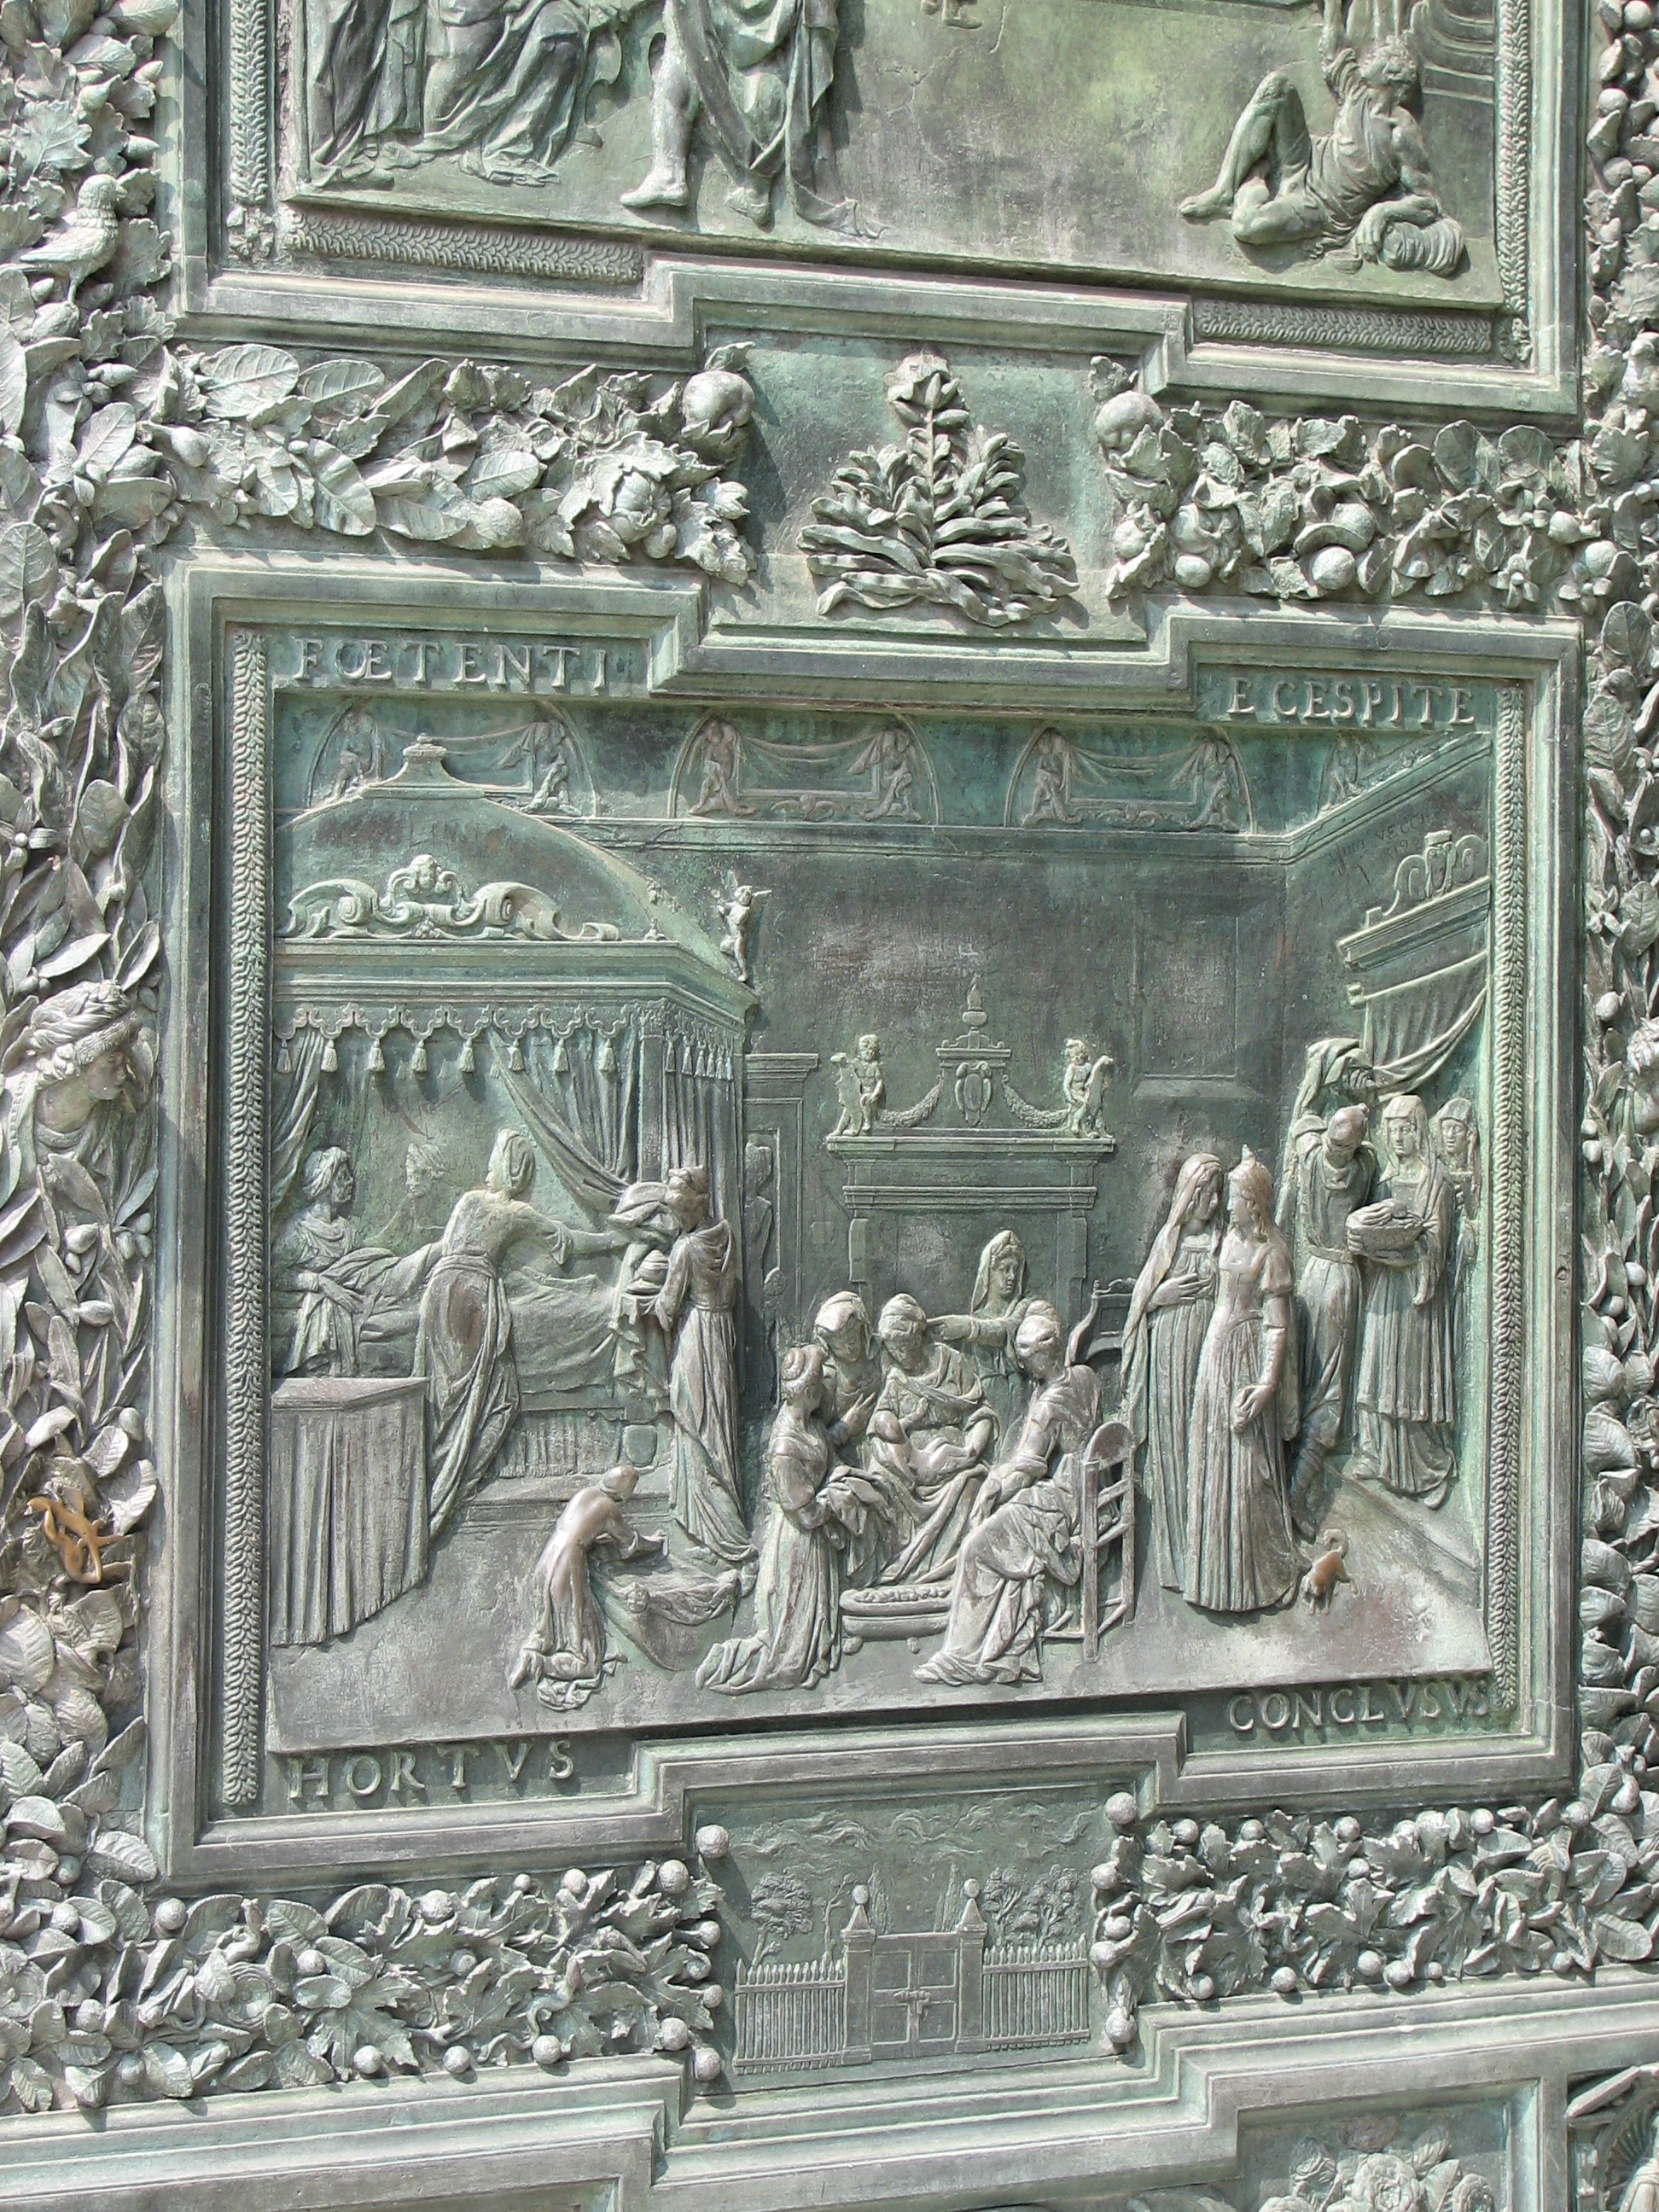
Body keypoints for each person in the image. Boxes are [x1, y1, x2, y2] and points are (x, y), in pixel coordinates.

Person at [416, 1129, 611, 1535]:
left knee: (444, 1396)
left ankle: (433, 1481)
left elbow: (448, 1249)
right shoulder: (516, 1213)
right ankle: (454, 1484)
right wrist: (614, 1240)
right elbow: (569, 1243)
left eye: (495, 1155)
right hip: (473, 1297)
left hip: (439, 1294)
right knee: (498, 1399)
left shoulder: (468, 1201)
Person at [1178, 0, 1464, 276]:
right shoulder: (1358, 94)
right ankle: (1225, 190)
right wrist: (1333, 6)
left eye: (1380, 55)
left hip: (1320, 208)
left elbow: (1427, 202)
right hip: (1304, 158)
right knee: (1277, 87)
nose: (1370, 55)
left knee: (1246, 226)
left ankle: (1254, 184)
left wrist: (1383, 212)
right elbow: (1334, 50)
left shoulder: (1401, 134)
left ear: (1392, 74)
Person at [916, 1302, 1103, 1685]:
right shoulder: (1085, 1377)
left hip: (1061, 1503)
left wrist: (993, 1488)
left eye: (1026, 1361)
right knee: (997, 1528)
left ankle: (963, 1656)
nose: (1024, 1368)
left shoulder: (1047, 1407)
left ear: (1037, 1360)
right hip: (1086, 1488)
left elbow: (1027, 1468)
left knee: (977, 1547)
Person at [697, 1344, 868, 1692]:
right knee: (792, 1636)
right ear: (807, 1392)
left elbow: (825, 1450)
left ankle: (818, 1653)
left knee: (813, 1623)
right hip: (799, 1545)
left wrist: (847, 1433)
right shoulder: (784, 1449)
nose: (825, 1386)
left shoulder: (809, 1424)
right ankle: (736, 1662)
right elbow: (807, 1514)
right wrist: (839, 1499)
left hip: (817, 1542)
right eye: (819, 1383)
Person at [1184, 1151, 1302, 1615]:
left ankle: (1256, 1578)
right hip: (1215, 1352)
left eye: (1234, 1196)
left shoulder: (1273, 1253)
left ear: (1253, 1203)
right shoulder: (1229, 1238)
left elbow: (1277, 1327)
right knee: (1212, 1456)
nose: (1227, 1204)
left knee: (1249, 1470)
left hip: (1246, 1359)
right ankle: (1212, 1580)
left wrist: (1267, 1384)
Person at [620, 0, 847, 228]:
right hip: (767, 30)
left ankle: (670, 170)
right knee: (685, 23)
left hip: (759, 22)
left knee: (684, 19)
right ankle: (752, 185)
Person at [1121, 1153, 1224, 1592]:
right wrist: (1162, 1294)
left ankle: (1206, 1559)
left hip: (1209, 1351)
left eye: (1218, 1193)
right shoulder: (1171, 1239)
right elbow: (1139, 1304)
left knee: (1204, 1445)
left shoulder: (1221, 1239)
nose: (1214, 1202)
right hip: (1169, 1351)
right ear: (1190, 1194)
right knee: (1173, 1445)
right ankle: (1175, 1562)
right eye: (1207, 1193)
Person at [1353, 1093, 1458, 1505]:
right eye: (1392, 1130)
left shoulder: (1436, 1182)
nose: (1398, 1138)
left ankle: (1428, 1467)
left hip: (1417, 1295)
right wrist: (1371, 1248)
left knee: (1413, 1377)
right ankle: (1377, 1452)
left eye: (1405, 1130)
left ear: (1419, 1132)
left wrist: (1403, 1251)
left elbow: (1436, 1243)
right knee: (1379, 1365)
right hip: (1384, 1289)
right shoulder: (1383, 1182)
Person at [652, 1164, 756, 1575]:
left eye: (679, 1212)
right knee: (719, 1429)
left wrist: (644, 1297)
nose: (675, 1219)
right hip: (721, 1331)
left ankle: (719, 1538)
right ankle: (719, 1532)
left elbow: (666, 1308)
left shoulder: (684, 1249)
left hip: (696, 1336)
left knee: (696, 1429)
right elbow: (728, 1289)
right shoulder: (724, 1235)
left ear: (692, 1208)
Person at [1277, 1101, 1374, 1535]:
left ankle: (1294, 1486)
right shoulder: (1364, 1166)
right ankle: (1296, 1492)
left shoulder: (1312, 1158)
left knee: (1309, 1381)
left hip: (1315, 1274)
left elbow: (1304, 1127)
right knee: (1325, 1391)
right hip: (1338, 1281)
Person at [864, 1294, 998, 1586]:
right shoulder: (895, 1378)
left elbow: (980, 1412)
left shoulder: (953, 1363)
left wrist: (972, 1449)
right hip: (910, 1466)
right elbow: (879, 1426)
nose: (899, 1355)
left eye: (903, 1346)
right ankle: (902, 1570)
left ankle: (952, 1571)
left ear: (918, 1335)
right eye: (893, 1349)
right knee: (879, 1482)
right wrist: (897, 1461)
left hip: (955, 1460)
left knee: (971, 1483)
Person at [509, 1464, 665, 1707]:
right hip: (567, 1571)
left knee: (546, 1631)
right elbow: (630, 1544)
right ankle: (537, 1664)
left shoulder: (585, 1494)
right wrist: (655, 1543)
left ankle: (532, 1651)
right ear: (625, 1491)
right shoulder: (609, 1508)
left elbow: (582, 1531)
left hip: (546, 1565)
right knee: (587, 1660)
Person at [271, 1146, 391, 1378]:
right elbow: (273, 1276)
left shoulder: (346, 1231)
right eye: (342, 1177)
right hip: (315, 1301)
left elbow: (356, 1269)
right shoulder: (298, 1231)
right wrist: (319, 1283)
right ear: (325, 1184)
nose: (350, 1182)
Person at [931, 1230, 1036, 1436]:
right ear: (989, 1273)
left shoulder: (1024, 1308)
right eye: (1004, 1270)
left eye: (1015, 1270)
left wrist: (969, 1328)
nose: (1011, 1277)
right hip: (982, 1400)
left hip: (1018, 1398)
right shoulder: (977, 1316)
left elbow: (1008, 1329)